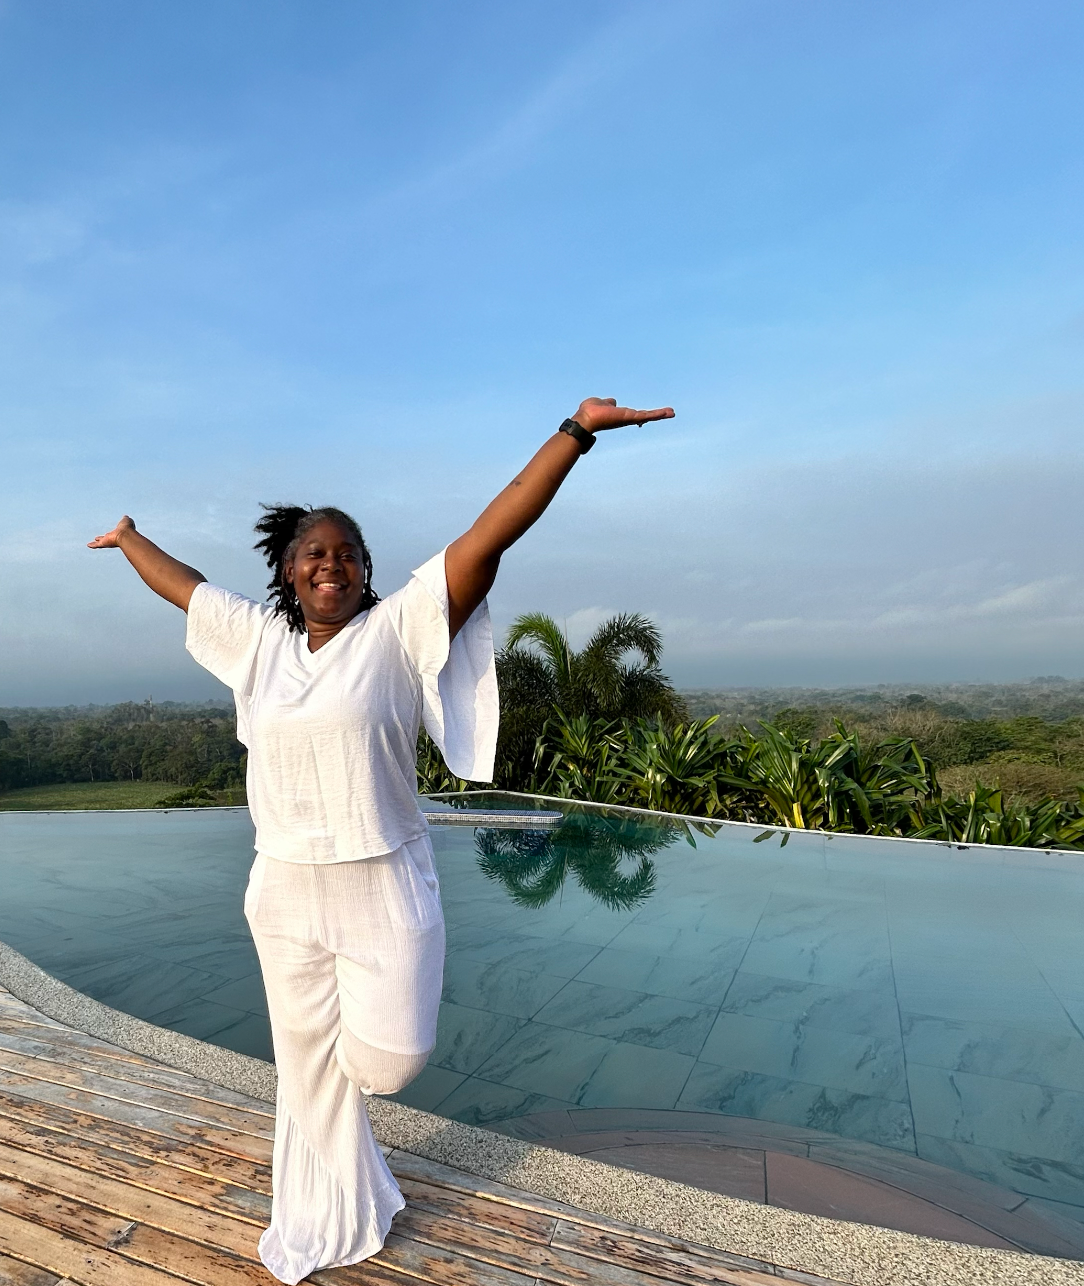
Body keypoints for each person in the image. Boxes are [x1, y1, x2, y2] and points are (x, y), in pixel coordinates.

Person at [88, 395, 675, 1283]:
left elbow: (491, 534)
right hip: (283, 890)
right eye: (314, 553)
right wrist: (130, 537)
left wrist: (576, 432)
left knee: (389, 1064)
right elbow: (185, 585)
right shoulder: (257, 644)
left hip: (383, 882)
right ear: (288, 574)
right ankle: (331, 1220)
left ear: (367, 571)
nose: (334, 563)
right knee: (305, 1074)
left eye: (349, 552)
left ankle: (356, 1178)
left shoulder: (397, 630)